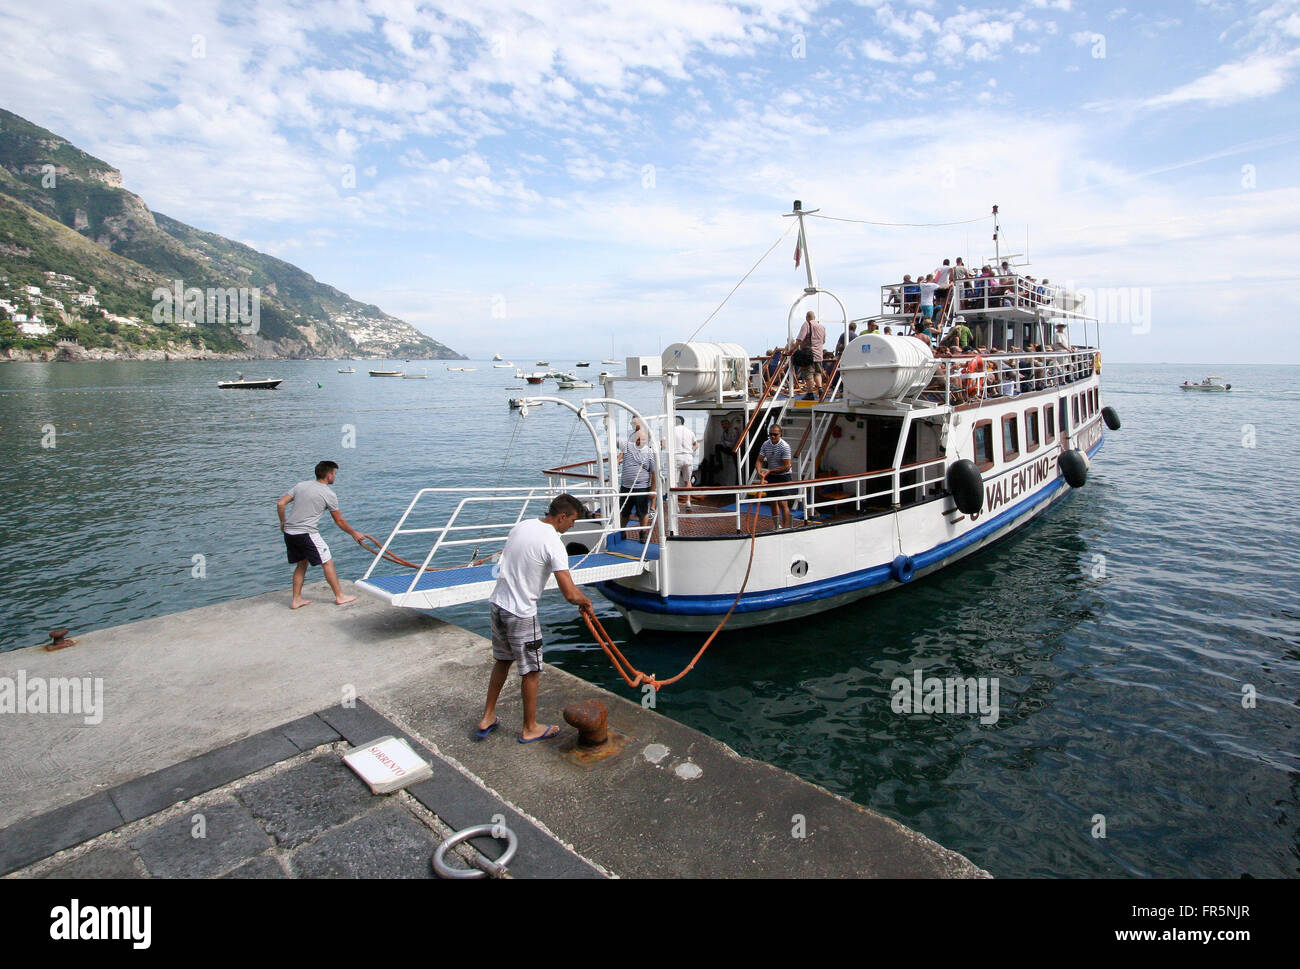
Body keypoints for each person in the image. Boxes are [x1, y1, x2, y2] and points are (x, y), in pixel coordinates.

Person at [477, 493, 594, 744]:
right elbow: (569, 592)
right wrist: (585, 602)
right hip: (521, 612)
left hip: (497, 604)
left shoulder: (523, 525)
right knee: (531, 671)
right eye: (572, 521)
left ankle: (487, 716)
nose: (572, 526)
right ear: (562, 517)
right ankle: (530, 727)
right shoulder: (554, 543)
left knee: (502, 661)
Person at [277, 460, 370, 609]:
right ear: (328, 475)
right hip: (306, 533)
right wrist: (354, 533)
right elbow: (339, 520)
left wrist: (283, 522)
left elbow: (281, 504)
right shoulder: (328, 494)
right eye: (334, 474)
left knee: (302, 564)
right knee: (327, 562)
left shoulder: (300, 486)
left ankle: (296, 600)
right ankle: (340, 596)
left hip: (290, 532)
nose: (334, 477)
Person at [618, 425, 657, 541]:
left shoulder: (650, 453)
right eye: (639, 438)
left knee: (643, 512)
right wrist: (607, 426)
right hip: (626, 487)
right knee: (624, 511)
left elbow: (654, 473)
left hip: (642, 488)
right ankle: (622, 531)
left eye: (643, 439)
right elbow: (615, 440)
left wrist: (652, 490)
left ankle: (643, 533)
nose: (640, 441)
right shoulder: (627, 447)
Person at [757, 424, 793, 530]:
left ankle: (786, 528)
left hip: (783, 476)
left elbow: (786, 466)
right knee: (773, 502)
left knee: (783, 502)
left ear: (780, 435)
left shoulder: (784, 446)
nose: (772, 437)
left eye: (775, 434)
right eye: (770, 434)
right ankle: (776, 526)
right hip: (771, 475)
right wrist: (759, 472)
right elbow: (759, 460)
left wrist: (769, 470)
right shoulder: (766, 444)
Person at [788, 310, 827, 399]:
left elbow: (800, 339)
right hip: (819, 354)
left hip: (808, 354)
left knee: (808, 373)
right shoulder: (822, 327)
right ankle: (820, 389)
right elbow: (823, 341)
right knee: (817, 373)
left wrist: (793, 349)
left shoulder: (807, 324)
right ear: (814, 318)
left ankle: (810, 394)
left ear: (807, 317)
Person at [672, 415, 698, 500]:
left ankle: (675, 504)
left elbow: (664, 445)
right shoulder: (690, 432)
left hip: (677, 457)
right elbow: (696, 445)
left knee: (675, 482)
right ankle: (688, 502)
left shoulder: (671, 431)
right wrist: (690, 451)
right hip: (688, 457)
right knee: (688, 481)